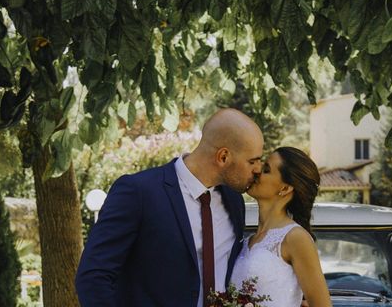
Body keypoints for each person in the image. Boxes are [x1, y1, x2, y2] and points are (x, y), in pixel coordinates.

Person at [75, 108, 264, 307]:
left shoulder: (234, 201)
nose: (258, 169)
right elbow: (93, 277)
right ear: (223, 157)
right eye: (252, 161)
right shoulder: (138, 192)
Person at [230, 146, 332, 307]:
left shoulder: (296, 238)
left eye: (266, 169)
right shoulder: (247, 240)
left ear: (284, 188)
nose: (256, 171)